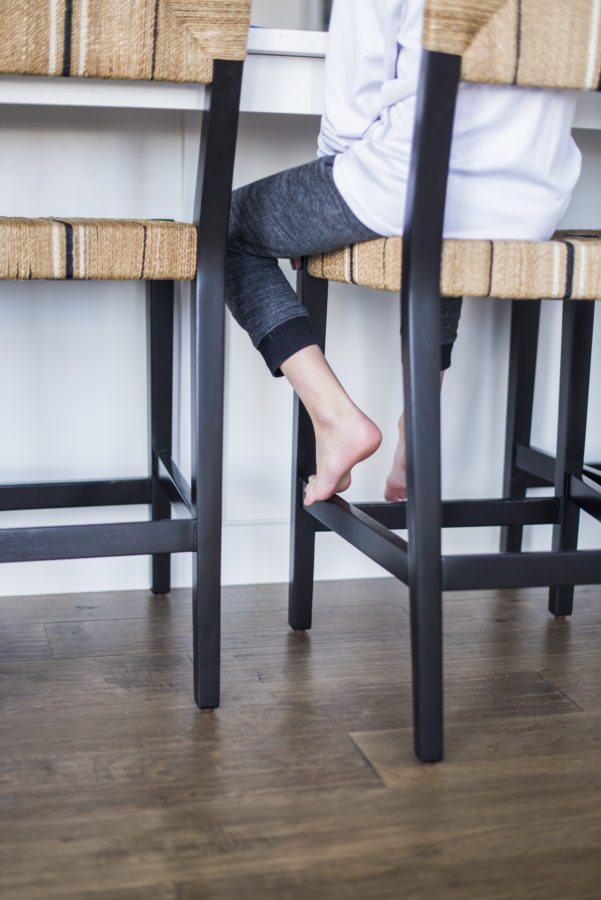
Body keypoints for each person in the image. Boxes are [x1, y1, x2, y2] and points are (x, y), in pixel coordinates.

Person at [226, 0, 581, 507]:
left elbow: (353, 91)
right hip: (535, 201)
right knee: (441, 226)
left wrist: (322, 212)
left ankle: (334, 418)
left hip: (408, 184)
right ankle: (419, 423)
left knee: (227, 228)